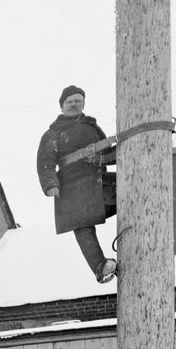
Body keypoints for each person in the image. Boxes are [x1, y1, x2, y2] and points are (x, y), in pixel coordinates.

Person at [37, 85, 118, 283]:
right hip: (72, 185)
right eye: (70, 102)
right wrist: (50, 185)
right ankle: (101, 267)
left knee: (130, 196)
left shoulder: (92, 127)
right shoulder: (52, 134)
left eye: (78, 101)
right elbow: (45, 162)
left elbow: (107, 152)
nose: (74, 105)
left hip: (99, 181)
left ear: (83, 104)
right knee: (83, 225)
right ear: (62, 106)